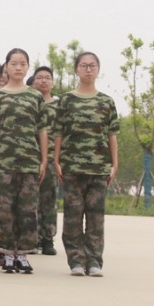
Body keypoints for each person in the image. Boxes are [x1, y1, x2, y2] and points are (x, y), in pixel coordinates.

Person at [53, 52, 119, 277]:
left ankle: (94, 261)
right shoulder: (66, 100)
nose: (88, 70)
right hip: (72, 167)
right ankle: (76, 261)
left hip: (99, 168)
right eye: (84, 66)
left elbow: (112, 135)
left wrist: (114, 164)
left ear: (98, 69)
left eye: (92, 66)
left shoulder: (106, 101)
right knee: (72, 216)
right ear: (76, 70)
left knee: (95, 217)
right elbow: (59, 132)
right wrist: (56, 160)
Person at [0, 48, 47, 274]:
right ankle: (7, 253)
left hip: (29, 162)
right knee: (4, 210)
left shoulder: (35, 96)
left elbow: (42, 130)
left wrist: (44, 160)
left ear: (27, 67)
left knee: (27, 210)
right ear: (6, 67)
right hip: (4, 163)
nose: (18, 68)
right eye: (14, 63)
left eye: (22, 64)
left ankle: (23, 254)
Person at [31, 66, 58, 255]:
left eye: (47, 78)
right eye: (39, 78)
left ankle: (47, 238)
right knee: (30, 200)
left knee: (49, 199)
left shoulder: (59, 105)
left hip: (51, 158)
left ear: (53, 82)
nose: (43, 81)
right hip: (30, 157)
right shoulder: (28, 102)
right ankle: (32, 238)